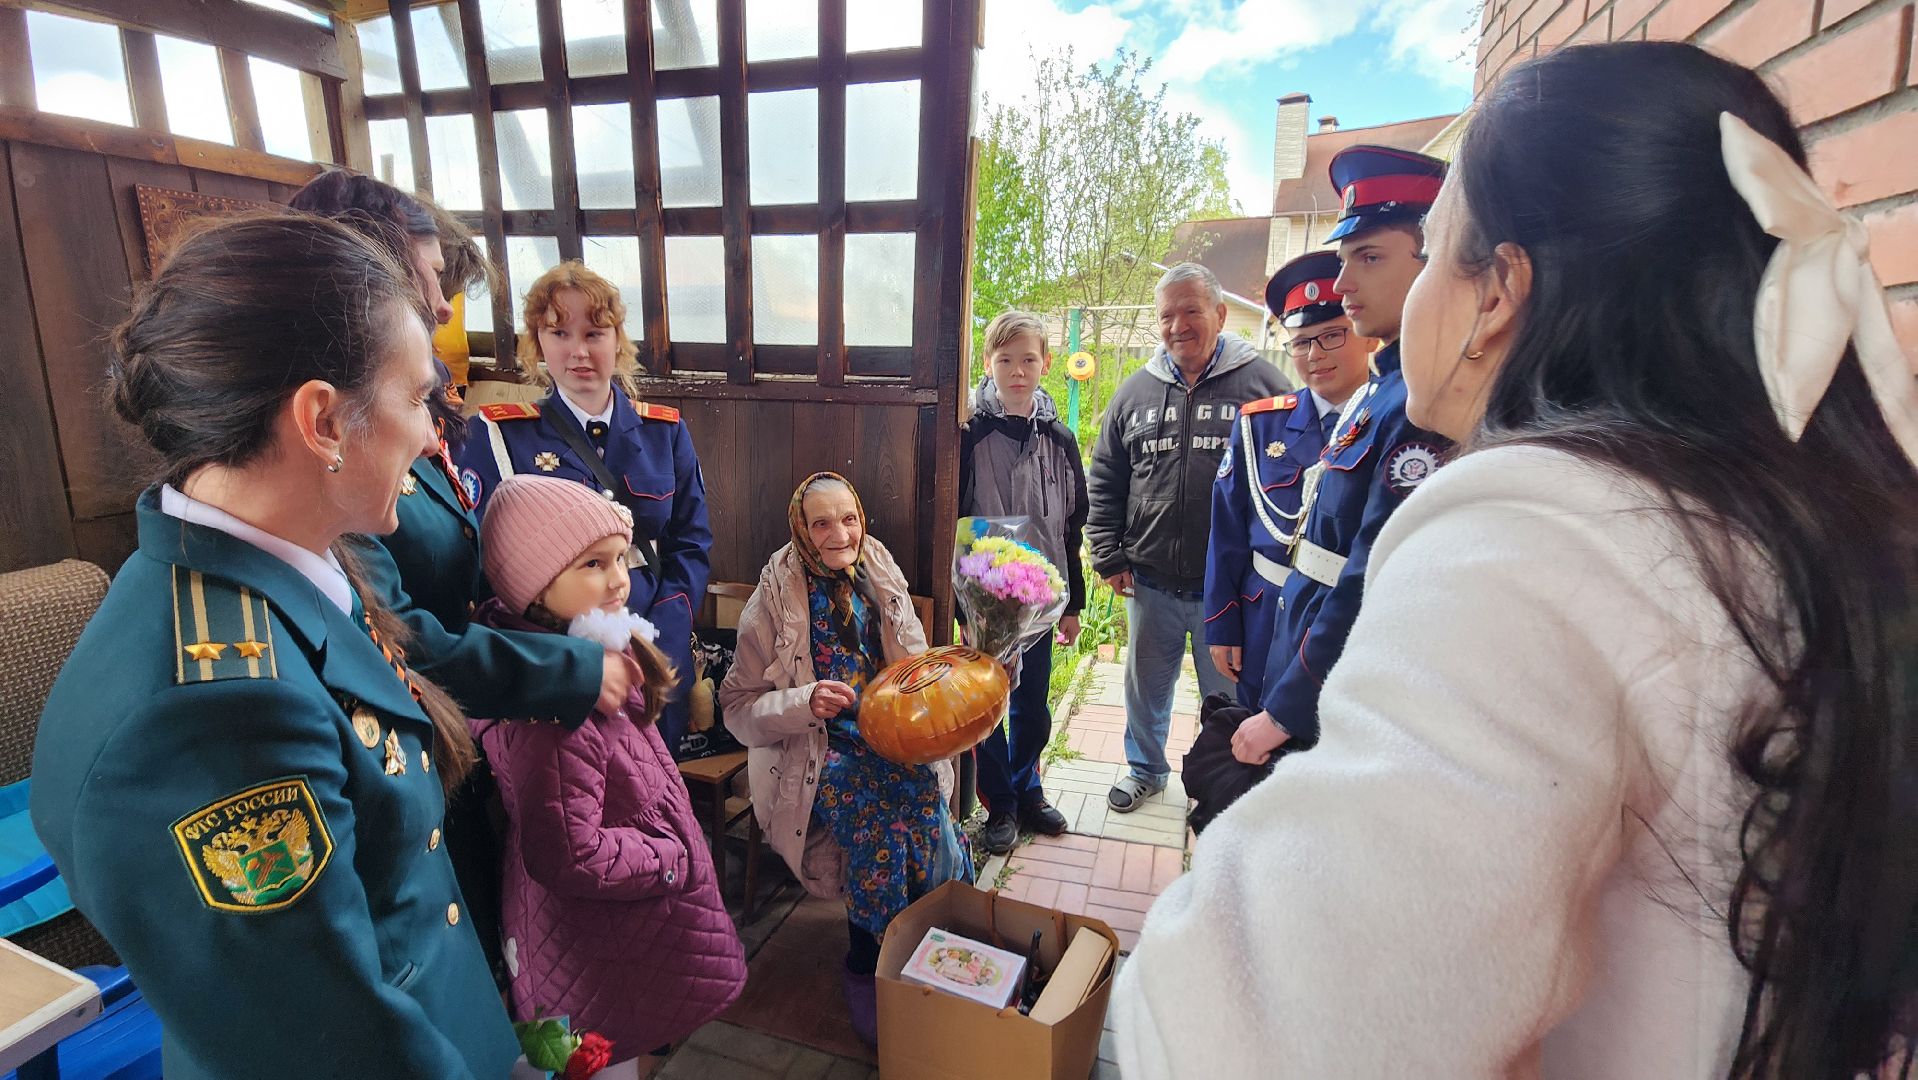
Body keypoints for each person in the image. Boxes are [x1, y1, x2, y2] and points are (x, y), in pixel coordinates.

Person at [1114, 41, 1918, 1078]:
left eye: (1427, 250)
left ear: (1499, 289)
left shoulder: (1538, 539)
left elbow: (1239, 1031)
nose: (1386, 310)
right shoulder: (1795, 518)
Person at [29, 214, 521, 1078]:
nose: (433, 434)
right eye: (414, 398)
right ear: (323, 420)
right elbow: (328, 1044)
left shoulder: (288, 573)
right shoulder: (214, 713)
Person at [288, 172, 627, 985]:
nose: (444, 308)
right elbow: (399, 637)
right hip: (428, 749)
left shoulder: (413, 429)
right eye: (429, 279)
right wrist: (575, 666)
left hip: (473, 731)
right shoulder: (335, 468)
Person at [471, 476, 745, 1076]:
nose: (620, 577)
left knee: (626, 1045)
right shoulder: (556, 708)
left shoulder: (585, 662)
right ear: (532, 585)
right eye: (593, 563)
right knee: (603, 1058)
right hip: (593, 944)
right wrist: (668, 857)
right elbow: (569, 847)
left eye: (622, 556)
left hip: (615, 931)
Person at [719, 473, 971, 1046]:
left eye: (849, 518)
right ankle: (869, 965)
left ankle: (936, 948)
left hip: (888, 737)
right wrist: (804, 701)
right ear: (801, 529)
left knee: (927, 802)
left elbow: (916, 663)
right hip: (817, 747)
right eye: (823, 522)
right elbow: (736, 708)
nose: (840, 534)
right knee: (877, 822)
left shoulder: (879, 571)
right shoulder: (774, 598)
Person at [1229, 145, 1452, 766]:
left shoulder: (1423, 402)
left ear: (1436, 259)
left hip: (1331, 690)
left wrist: (1286, 709)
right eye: (1346, 258)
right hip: (1292, 646)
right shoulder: (1381, 388)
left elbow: (1368, 576)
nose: (1346, 283)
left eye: (1371, 258)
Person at [458, 261, 712, 753]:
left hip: (651, 647)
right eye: (559, 333)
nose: (578, 351)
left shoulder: (665, 431)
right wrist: (554, 660)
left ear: (619, 340)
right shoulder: (497, 436)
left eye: (595, 333)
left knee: (654, 788)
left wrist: (663, 637)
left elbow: (691, 544)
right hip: (558, 661)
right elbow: (485, 569)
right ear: (538, 342)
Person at [1085, 263, 1291, 813]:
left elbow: (1293, 486)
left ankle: (1221, 785)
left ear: (1220, 315)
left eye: (1191, 311)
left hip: (1229, 592)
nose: (1178, 325)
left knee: (1224, 699)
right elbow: (1105, 478)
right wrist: (1108, 556)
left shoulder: (1265, 387)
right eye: (1166, 315)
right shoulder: (1134, 393)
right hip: (1150, 582)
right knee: (1145, 690)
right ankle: (1144, 770)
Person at [1202, 251, 1369, 709]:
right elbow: (1227, 531)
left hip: (1351, 618)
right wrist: (1222, 623)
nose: (1314, 355)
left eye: (1331, 336)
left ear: (1364, 334)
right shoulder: (1260, 426)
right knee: (1256, 732)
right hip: (1264, 618)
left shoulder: (1390, 419)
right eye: (1301, 342)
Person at [959, 311, 1089, 854]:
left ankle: (1028, 789)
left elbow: (1073, 523)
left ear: (1046, 363)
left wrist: (1073, 603)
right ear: (988, 363)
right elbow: (954, 514)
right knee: (987, 703)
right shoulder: (970, 435)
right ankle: (1000, 805)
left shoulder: (1060, 439)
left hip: (1040, 600)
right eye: (1005, 359)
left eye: (1029, 359)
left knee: (1032, 702)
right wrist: (967, 606)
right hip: (984, 602)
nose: (1018, 371)